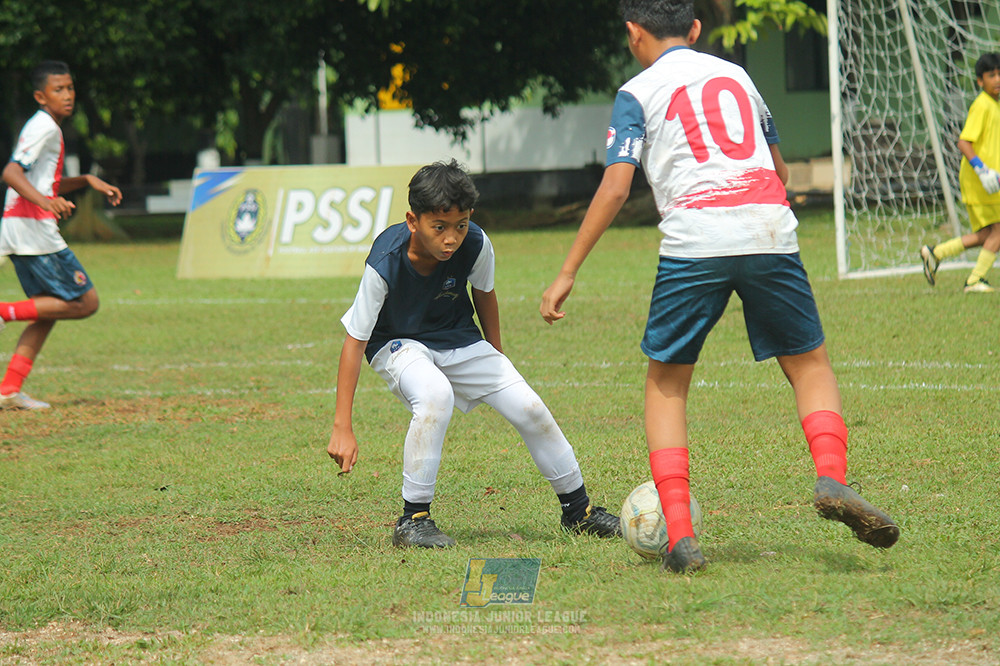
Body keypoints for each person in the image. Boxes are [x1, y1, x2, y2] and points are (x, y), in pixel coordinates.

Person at [539, 0, 900, 573]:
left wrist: (566, 272)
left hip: (695, 239)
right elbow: (779, 172)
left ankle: (680, 537)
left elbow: (615, 187)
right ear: (698, 29)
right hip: (767, 228)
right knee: (808, 365)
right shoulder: (738, 76)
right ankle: (831, 476)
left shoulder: (638, 90)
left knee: (667, 384)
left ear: (633, 33)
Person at [327, 159, 620, 548]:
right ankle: (413, 519)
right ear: (413, 221)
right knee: (435, 396)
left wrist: (498, 358)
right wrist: (342, 426)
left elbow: (484, 295)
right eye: (440, 227)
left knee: (529, 407)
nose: (452, 238)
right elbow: (355, 339)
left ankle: (578, 512)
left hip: (458, 337)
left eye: (460, 225)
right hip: (397, 344)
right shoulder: (385, 261)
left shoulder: (477, 243)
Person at [0, 60, 122, 409]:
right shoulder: (45, 128)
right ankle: (3, 311)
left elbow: (38, 180)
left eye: (70, 88)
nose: (67, 95)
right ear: (41, 96)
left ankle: (9, 388)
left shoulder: (44, 126)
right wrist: (47, 203)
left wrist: (85, 181)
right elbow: (10, 173)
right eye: (58, 90)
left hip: (21, 226)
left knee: (48, 311)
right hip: (33, 228)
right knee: (86, 302)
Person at [920, 52, 1000, 293]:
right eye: (991, 75)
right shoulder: (982, 105)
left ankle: (936, 253)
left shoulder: (994, 105)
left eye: (999, 73)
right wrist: (982, 170)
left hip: (989, 179)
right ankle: (975, 280)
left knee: (987, 233)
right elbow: (964, 142)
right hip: (981, 180)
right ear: (979, 81)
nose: (997, 79)